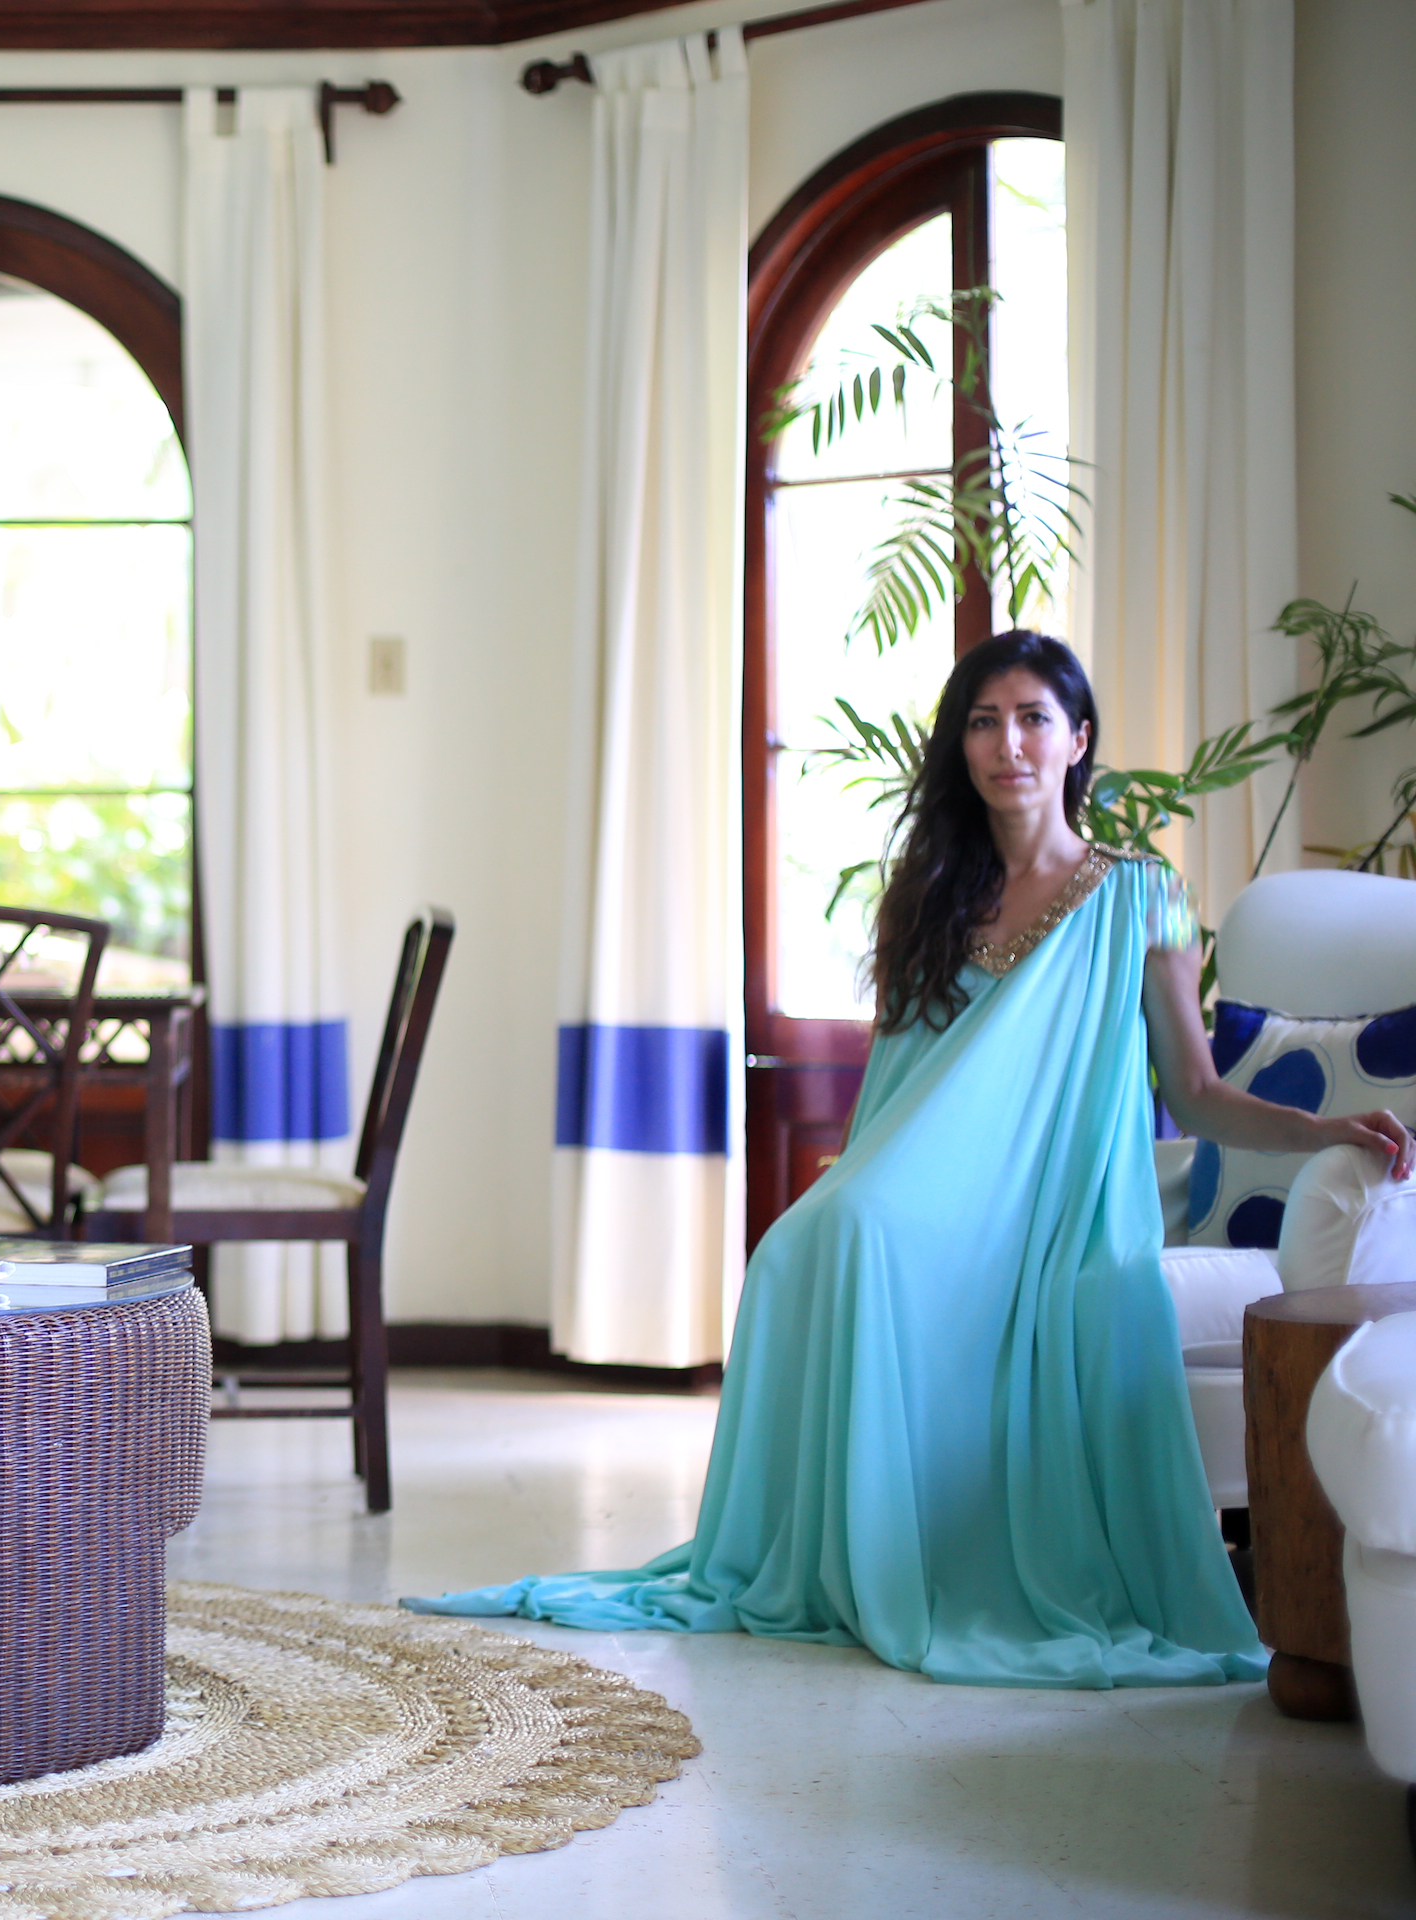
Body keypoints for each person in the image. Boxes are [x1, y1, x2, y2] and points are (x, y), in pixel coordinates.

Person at [407, 631, 1415, 1689]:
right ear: (960, 743)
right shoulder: (933, 891)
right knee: (806, 1246)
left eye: (1033, 718)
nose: (1008, 743)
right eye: (984, 720)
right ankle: (835, 1562)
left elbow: (1198, 1093)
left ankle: (916, 1558)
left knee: (862, 1235)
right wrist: (858, 1177)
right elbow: (899, 1091)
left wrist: (1321, 1133)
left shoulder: (1140, 895)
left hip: (1048, 1204)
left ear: (1078, 740)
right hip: (927, 1181)